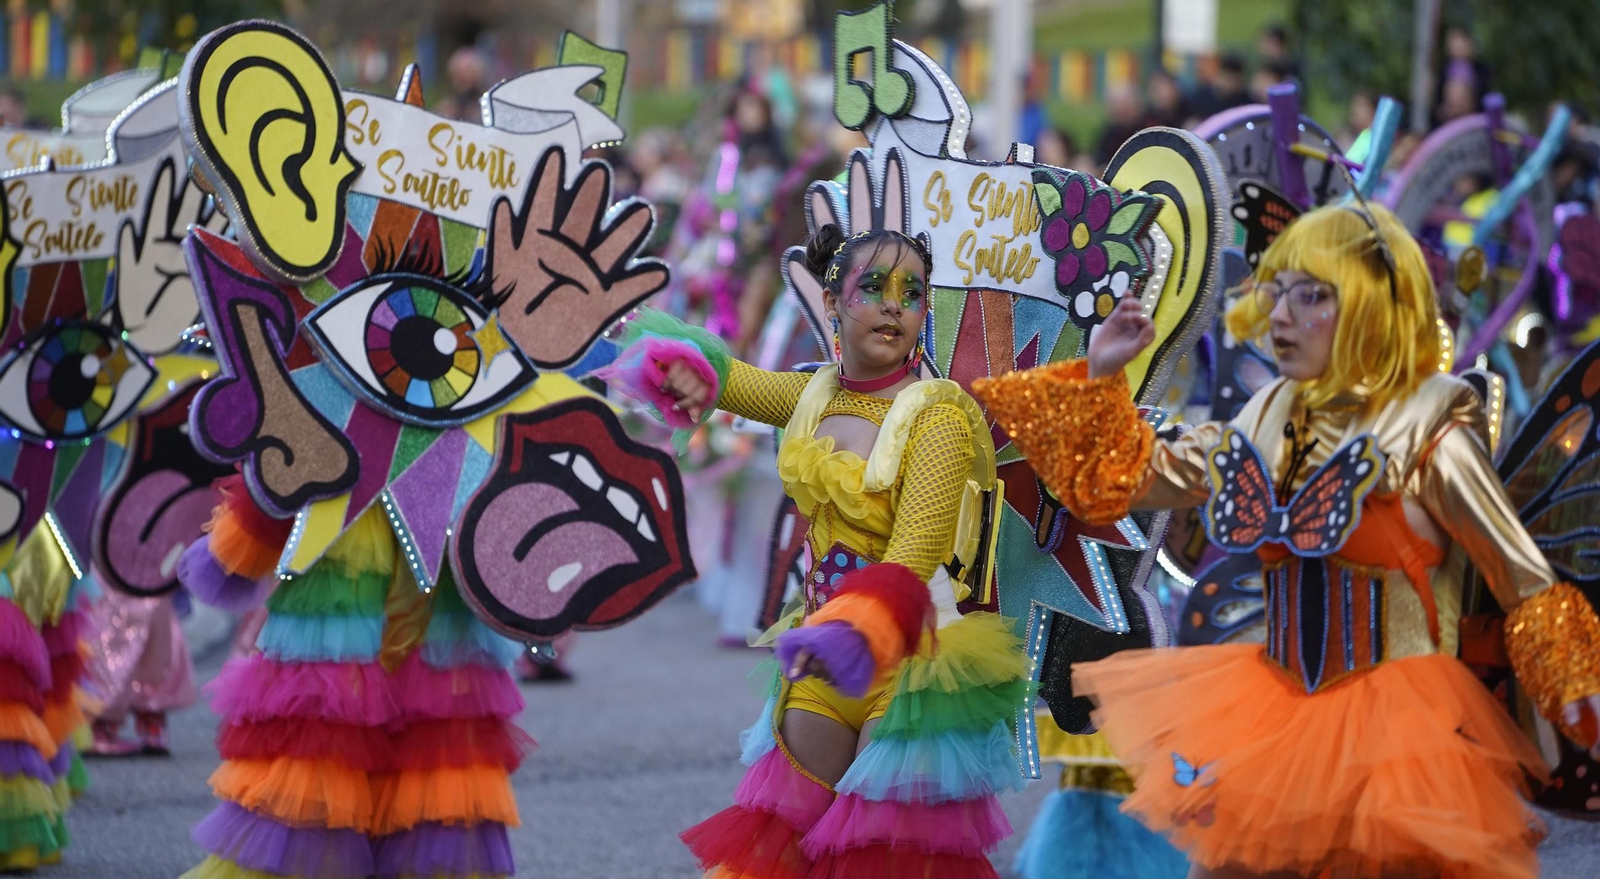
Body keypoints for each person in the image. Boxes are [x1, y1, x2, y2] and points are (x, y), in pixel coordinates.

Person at [974, 201, 1600, 879]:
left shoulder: (1427, 425)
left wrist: (1569, 680)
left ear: (1368, 305)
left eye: (1312, 296)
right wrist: (1102, 374)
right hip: (1275, 718)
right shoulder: (1268, 412)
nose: (1279, 315)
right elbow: (1123, 482)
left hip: (1402, 739)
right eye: (1276, 291)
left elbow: (1522, 573)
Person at [604, 225, 1030, 877]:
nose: (894, 305)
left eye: (911, 292)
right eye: (874, 288)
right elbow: (736, 383)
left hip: (915, 670)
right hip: (827, 661)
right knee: (788, 848)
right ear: (832, 301)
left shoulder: (936, 417)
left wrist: (849, 632)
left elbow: (913, 554)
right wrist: (690, 374)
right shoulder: (817, 393)